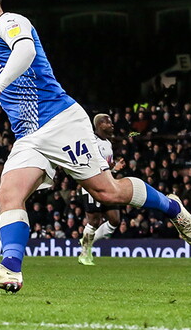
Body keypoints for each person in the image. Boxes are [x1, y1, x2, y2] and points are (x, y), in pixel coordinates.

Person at [0, 0, 191, 292]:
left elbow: (24, 52)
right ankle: (10, 269)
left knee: (108, 193)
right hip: (29, 136)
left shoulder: (11, 22)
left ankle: (172, 207)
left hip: (61, 121)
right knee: (8, 194)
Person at [76, 112, 126, 266]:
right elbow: (91, 165)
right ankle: (84, 254)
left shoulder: (107, 143)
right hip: (93, 185)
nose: (111, 124)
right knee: (94, 221)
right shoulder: (92, 142)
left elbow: (106, 167)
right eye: (107, 122)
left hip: (107, 184)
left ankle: (86, 240)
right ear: (99, 125)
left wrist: (114, 168)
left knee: (115, 220)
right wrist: (114, 168)